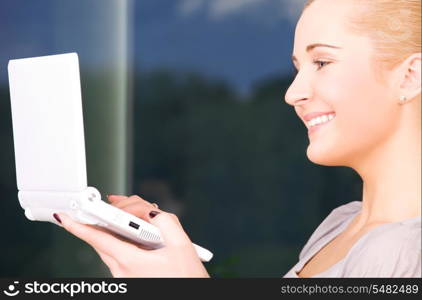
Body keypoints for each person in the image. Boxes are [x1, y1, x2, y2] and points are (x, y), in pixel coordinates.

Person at [54, 0, 421, 277]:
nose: (293, 93)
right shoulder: (341, 223)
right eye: (297, 68)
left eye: (322, 62)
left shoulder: (403, 248)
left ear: (410, 77)